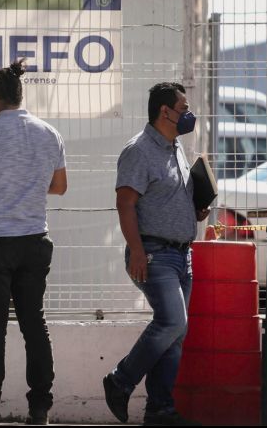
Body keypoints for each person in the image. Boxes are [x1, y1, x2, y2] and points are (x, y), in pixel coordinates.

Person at [0, 60, 67, 426]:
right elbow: (59, 186)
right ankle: (40, 407)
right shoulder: (49, 133)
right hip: (34, 239)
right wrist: (27, 190)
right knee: (34, 322)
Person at [102, 82, 209, 426]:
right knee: (172, 322)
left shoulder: (175, 147)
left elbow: (168, 196)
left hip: (181, 255)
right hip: (153, 253)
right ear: (165, 112)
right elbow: (125, 203)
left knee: (176, 335)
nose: (189, 115)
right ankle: (120, 380)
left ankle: (160, 410)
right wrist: (136, 250)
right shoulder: (139, 150)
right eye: (183, 108)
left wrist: (195, 210)